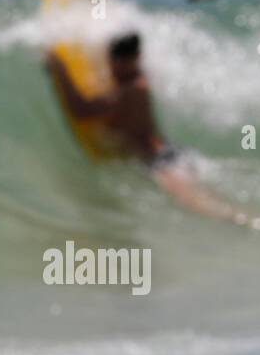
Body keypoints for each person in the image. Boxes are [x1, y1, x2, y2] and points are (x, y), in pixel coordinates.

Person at [45, 33, 241, 221]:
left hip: (160, 161)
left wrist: (60, 68)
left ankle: (247, 224)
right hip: (169, 154)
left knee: (197, 204)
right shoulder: (138, 82)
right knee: (211, 200)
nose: (114, 67)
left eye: (118, 61)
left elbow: (82, 109)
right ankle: (244, 221)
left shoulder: (129, 91)